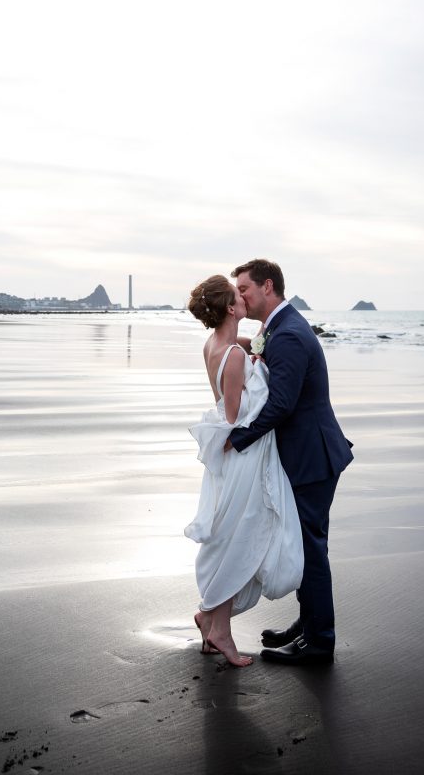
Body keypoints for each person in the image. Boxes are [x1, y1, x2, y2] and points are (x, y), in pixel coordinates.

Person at [228, 259, 353, 666]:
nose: (240, 296)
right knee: (308, 545)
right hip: (307, 454)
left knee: (311, 549)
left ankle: (320, 643)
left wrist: (239, 438)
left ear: (268, 287)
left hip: (311, 458)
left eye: (244, 288)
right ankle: (307, 626)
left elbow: (282, 403)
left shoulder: (290, 335)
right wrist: (234, 343)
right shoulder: (277, 329)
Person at [185, 275, 303, 667]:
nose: (245, 299)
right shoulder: (233, 354)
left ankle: (210, 622)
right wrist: (260, 378)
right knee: (239, 537)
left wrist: (258, 357)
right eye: (239, 296)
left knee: (231, 536)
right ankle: (220, 631)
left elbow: (242, 365)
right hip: (242, 456)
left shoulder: (217, 345)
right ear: (232, 308)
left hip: (232, 456)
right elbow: (236, 416)